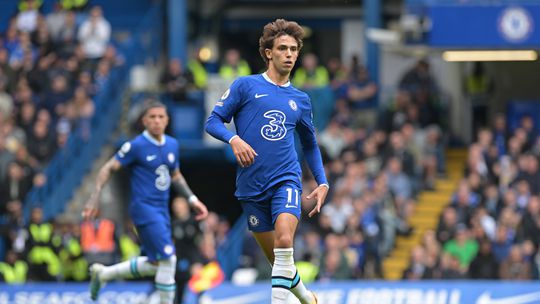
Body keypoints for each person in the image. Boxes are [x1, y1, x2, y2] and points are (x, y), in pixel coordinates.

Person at [205, 19, 328, 304]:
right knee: (279, 262)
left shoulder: (301, 99)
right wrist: (234, 139)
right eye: (283, 48)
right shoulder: (245, 86)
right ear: (268, 52)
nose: (289, 54)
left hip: (286, 178)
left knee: (285, 241)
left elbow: (309, 143)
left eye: (294, 49)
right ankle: (306, 297)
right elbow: (213, 122)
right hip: (250, 185)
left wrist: (322, 181)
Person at [83, 100, 209, 303]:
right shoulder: (136, 146)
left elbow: (175, 175)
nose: (157, 121)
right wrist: (94, 197)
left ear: (167, 120)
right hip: (144, 210)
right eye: (152, 117)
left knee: (155, 263)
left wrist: (192, 199)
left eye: (161, 117)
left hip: (162, 211)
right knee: (170, 259)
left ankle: (104, 274)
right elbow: (108, 168)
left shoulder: (172, 145)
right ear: (144, 121)